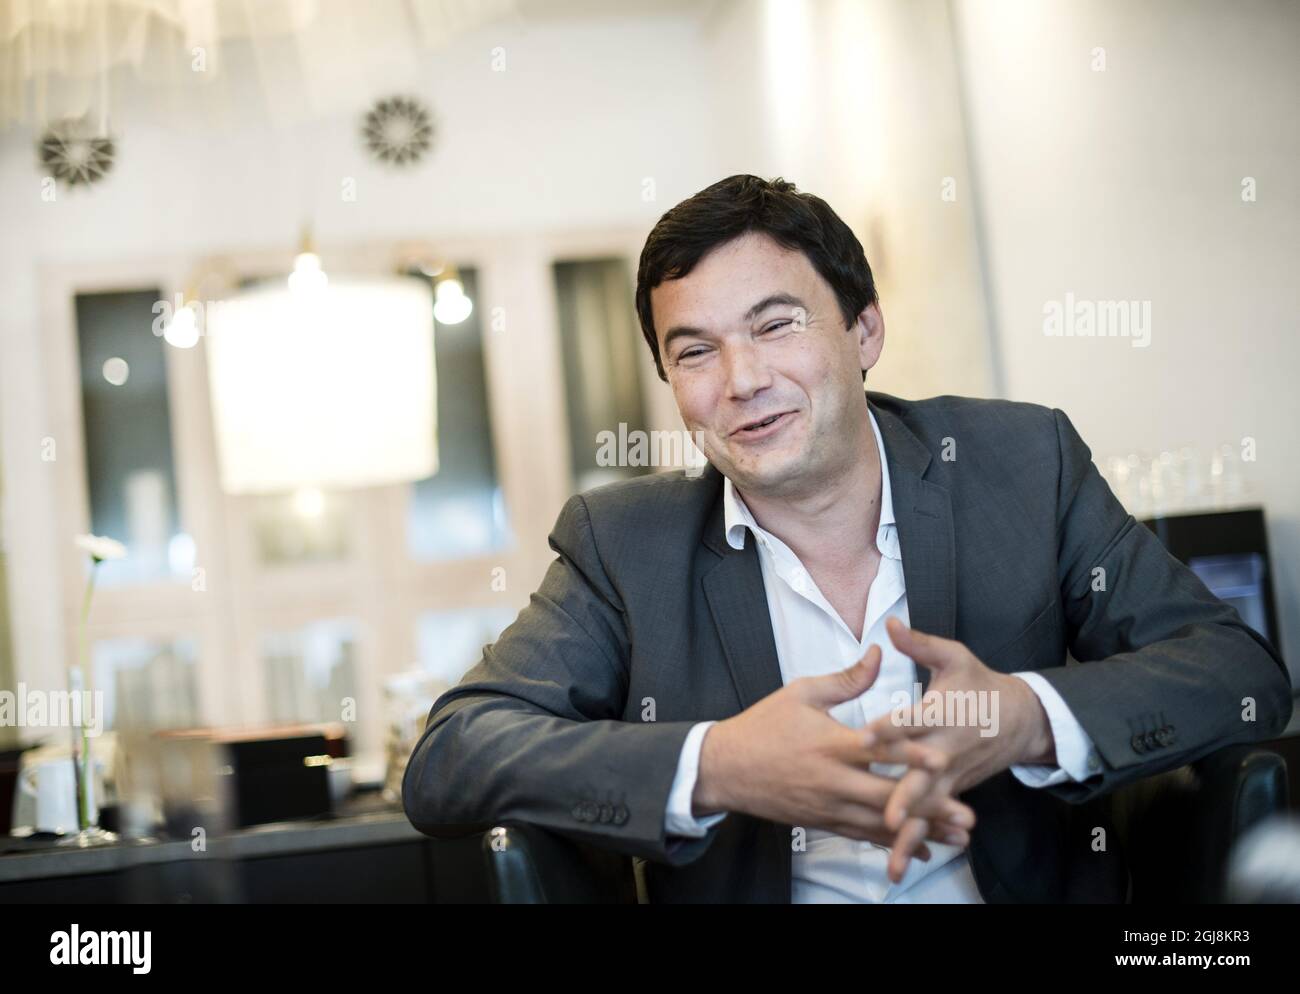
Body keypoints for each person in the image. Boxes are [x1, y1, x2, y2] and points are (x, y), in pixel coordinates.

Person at [403, 174, 1292, 902]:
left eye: (775, 325)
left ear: (863, 329)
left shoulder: (1022, 464)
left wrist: (1022, 720)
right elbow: (454, 754)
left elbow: (1237, 671)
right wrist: (717, 765)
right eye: (695, 351)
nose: (742, 380)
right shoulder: (623, 544)